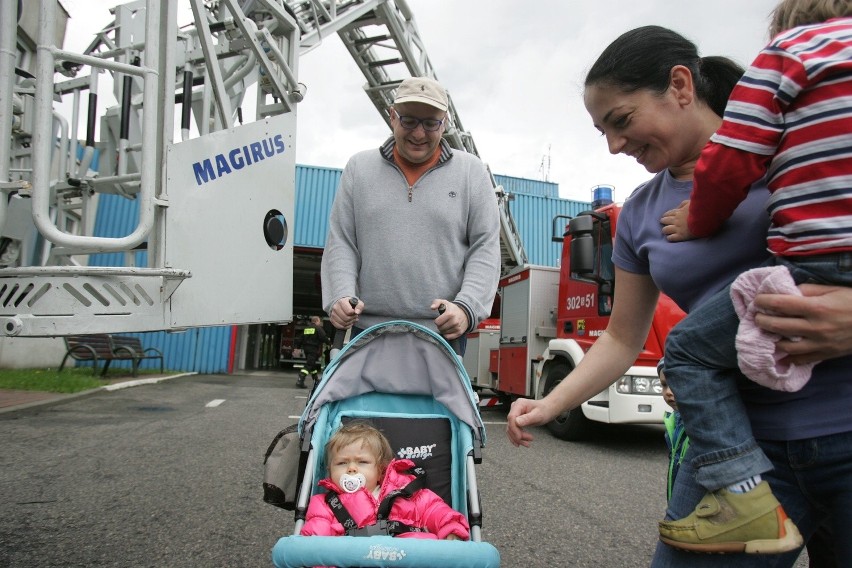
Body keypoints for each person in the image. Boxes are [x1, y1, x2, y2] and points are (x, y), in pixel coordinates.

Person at [504, 23, 852, 567]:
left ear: (682, 86)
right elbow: (622, 338)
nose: (617, 146)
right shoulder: (640, 213)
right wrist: (548, 404)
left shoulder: (800, 154)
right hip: (738, 457)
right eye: (604, 134)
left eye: (621, 121)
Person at [655, 0, 852, 553]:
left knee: (689, 353)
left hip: (809, 258)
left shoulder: (786, 56)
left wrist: (700, 216)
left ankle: (742, 492)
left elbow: (730, 159)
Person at [320, 76, 500, 355]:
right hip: (365, 332)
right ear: (392, 117)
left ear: (446, 122)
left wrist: (466, 308)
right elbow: (342, 241)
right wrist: (340, 297)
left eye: (431, 123)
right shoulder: (359, 168)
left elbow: (485, 248)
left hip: (441, 336)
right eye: (409, 121)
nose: (418, 134)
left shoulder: (472, 173)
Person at [300, 421, 470, 540]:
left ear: (380, 468)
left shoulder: (408, 494)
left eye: (362, 462)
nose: (351, 469)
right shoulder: (324, 505)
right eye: (342, 463)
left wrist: (451, 530)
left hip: (410, 557)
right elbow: (315, 542)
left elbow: (437, 512)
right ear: (330, 471)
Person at [659, 358, 689, 504]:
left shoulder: (701, 427)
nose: (669, 392)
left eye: (677, 384)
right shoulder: (674, 422)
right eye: (664, 385)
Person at [295, 316, 328, 388]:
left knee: (312, 365)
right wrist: (329, 344)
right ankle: (300, 379)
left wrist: (297, 348)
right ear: (317, 321)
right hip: (313, 349)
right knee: (309, 364)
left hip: (306, 349)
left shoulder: (306, 328)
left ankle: (316, 380)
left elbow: (300, 339)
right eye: (319, 321)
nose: (320, 323)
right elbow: (323, 337)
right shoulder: (318, 328)